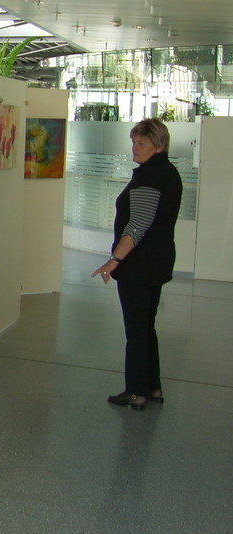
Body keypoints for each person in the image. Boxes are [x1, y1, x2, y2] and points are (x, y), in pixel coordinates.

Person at [91, 118, 183, 410]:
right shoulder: (169, 173)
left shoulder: (149, 177)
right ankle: (153, 387)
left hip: (139, 267)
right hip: (157, 263)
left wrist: (114, 260)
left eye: (141, 143)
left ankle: (136, 392)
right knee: (146, 327)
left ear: (159, 145)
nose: (135, 148)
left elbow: (138, 225)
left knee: (136, 330)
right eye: (133, 142)